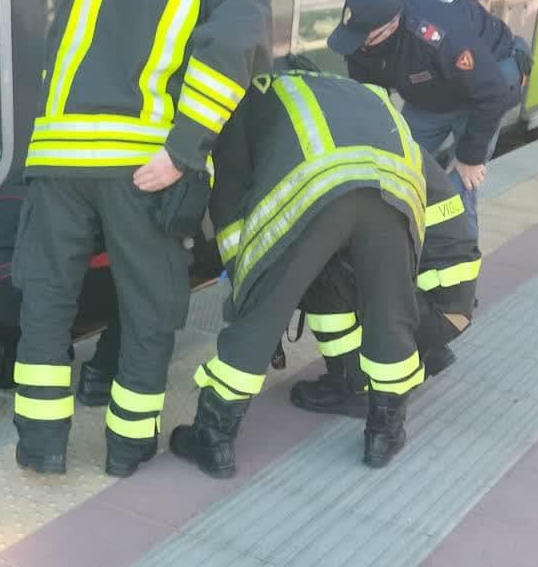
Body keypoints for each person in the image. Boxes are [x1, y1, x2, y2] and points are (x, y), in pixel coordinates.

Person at [11, 0, 281, 478]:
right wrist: (185, 151)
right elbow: (234, 50)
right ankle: (127, 452)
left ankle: (40, 447)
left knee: (48, 301)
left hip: (59, 152)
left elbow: (67, 34)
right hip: (142, 165)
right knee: (149, 309)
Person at [170, 55, 427, 478]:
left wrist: (246, 284)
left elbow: (230, 204)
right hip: (396, 190)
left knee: (261, 317)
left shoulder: (252, 97)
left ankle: (213, 439)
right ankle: (384, 433)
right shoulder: (356, 90)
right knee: (390, 313)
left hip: (316, 188)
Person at [0, 190, 223, 426]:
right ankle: (100, 376)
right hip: (27, 276)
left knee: (35, 329)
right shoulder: (118, 198)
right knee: (140, 286)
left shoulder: (53, 172)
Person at [325, 0, 532, 238]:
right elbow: (369, 93)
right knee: (396, 167)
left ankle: (459, 263)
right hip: (432, 95)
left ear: (391, 28)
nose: (360, 47)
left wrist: (470, 158)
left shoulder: (439, 36)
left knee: (456, 194)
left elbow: (492, 92)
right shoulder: (363, 31)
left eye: (366, 41)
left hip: (483, 92)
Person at [288, 141, 480, 417]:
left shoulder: (341, 155)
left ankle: (354, 386)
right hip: (450, 302)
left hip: (431, 310)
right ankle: (425, 351)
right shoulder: (385, 139)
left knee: (324, 275)